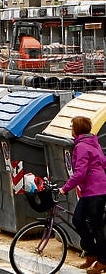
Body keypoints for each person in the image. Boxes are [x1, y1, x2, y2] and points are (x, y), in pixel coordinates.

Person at [59, 116, 106, 273]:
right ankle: (92, 252)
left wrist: (65, 188)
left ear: (76, 130)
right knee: (78, 219)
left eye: (72, 127)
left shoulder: (81, 147)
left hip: (96, 190)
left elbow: (79, 173)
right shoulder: (93, 143)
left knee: (96, 226)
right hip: (91, 190)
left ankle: (103, 261)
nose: (71, 130)